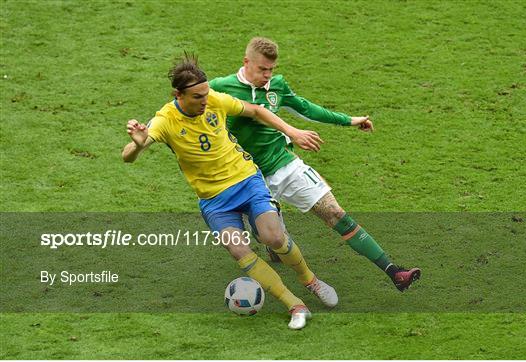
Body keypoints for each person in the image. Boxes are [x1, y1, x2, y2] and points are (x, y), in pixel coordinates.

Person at [122, 53, 338, 330]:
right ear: (178, 94)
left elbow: (257, 110)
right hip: (214, 200)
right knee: (238, 250)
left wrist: (292, 131)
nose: (205, 100)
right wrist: (139, 144)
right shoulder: (165, 120)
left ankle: (311, 280)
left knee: (273, 237)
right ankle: (295, 304)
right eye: (198, 97)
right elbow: (127, 156)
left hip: (245, 179)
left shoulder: (215, 99)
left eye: (206, 93)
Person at [210, 38, 421, 292]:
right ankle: (273, 243)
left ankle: (394, 271)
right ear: (246, 63)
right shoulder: (220, 88)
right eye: (262, 69)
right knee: (275, 240)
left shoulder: (276, 86)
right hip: (247, 177)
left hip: (284, 164)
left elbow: (307, 109)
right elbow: (185, 103)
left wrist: (350, 121)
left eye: (271, 70)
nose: (267, 76)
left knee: (335, 212)